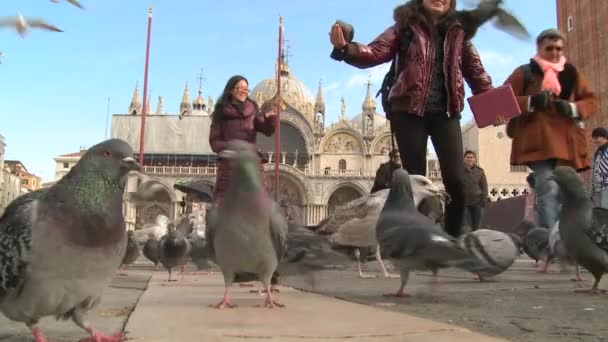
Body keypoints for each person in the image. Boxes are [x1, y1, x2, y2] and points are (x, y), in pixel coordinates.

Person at [329, 0, 493, 237]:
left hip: (446, 111)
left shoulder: (459, 33)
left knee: (456, 180)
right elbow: (376, 51)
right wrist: (346, 49)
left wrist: (493, 105)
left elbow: (477, 73)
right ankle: (419, 237)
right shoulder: (405, 26)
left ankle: (453, 237)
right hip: (408, 111)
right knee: (416, 179)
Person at [503, 28, 599, 230]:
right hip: (538, 144)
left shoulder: (571, 73)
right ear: (539, 48)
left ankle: (565, 241)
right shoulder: (525, 72)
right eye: (550, 48)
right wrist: (531, 101)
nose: (555, 52)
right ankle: (551, 244)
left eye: (559, 48)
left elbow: (591, 101)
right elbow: (501, 100)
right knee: (548, 190)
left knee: (567, 194)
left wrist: (573, 108)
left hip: (566, 145)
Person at [208, 75, 276, 205]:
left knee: (263, 203)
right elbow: (214, 141)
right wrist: (231, 148)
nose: (244, 91)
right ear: (231, 90)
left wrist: (270, 118)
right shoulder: (220, 113)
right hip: (229, 164)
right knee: (221, 205)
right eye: (240, 88)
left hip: (251, 162)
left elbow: (267, 130)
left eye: (246, 89)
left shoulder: (253, 110)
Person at [462, 150, 488, 231]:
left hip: (477, 203)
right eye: (467, 157)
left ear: (474, 159)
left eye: (471, 157)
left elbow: (484, 187)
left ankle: (476, 241)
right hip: (464, 203)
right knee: (466, 227)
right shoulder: (459, 170)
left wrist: (483, 200)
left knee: (477, 227)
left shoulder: (480, 171)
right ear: (464, 159)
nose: (469, 159)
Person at [591, 127, 608, 209]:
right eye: (593, 138)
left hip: (606, 187)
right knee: (598, 213)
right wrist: (592, 191)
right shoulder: (598, 152)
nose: (594, 141)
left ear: (604, 137)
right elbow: (595, 171)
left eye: (596, 138)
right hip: (597, 189)